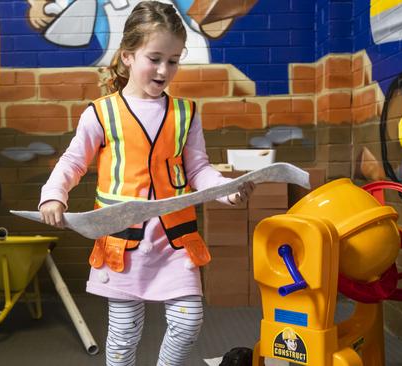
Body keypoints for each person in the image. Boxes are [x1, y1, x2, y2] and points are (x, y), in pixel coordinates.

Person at [39, 2, 254, 365]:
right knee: (123, 337)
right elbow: (73, 161)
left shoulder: (186, 112)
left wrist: (225, 189)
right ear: (127, 56)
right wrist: (53, 196)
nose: (163, 69)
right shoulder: (101, 112)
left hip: (175, 241)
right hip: (122, 246)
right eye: (154, 58)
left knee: (189, 321)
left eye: (173, 60)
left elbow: (198, 167)